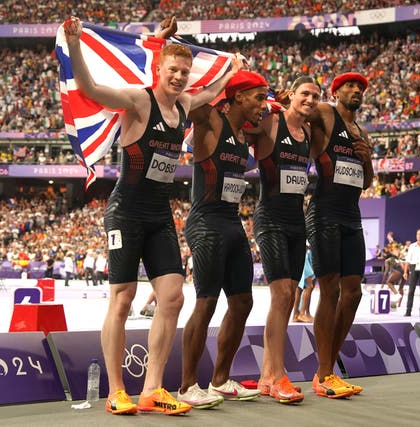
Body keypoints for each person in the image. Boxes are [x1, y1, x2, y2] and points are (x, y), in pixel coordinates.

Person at [64, 16, 241, 415]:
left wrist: (231, 68)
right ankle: (115, 390)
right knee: (123, 298)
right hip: (125, 212)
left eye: (183, 72)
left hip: (160, 215)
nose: (179, 77)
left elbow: (211, 90)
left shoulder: (184, 104)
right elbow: (91, 88)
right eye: (172, 70)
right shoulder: (139, 100)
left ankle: (153, 388)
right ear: (158, 70)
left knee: (173, 297)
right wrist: (75, 45)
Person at [177, 70, 268, 408]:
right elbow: (185, 99)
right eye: (258, 97)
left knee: (243, 302)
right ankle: (187, 386)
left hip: (232, 223)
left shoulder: (246, 131)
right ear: (238, 96)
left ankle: (220, 380)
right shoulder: (211, 120)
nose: (264, 104)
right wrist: (224, 74)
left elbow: (275, 118)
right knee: (207, 302)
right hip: (206, 222)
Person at [251, 76, 320, 404]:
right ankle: (278, 376)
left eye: (315, 96)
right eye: (305, 93)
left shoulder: (307, 133)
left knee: (288, 297)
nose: (310, 99)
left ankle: (267, 375)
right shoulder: (270, 122)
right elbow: (241, 122)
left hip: (296, 222)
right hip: (270, 219)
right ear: (291, 94)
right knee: (281, 294)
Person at [306, 72, 374, 398]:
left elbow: (367, 182)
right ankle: (325, 373)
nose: (356, 90)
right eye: (349, 85)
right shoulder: (324, 113)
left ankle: (327, 370)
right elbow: (298, 111)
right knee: (329, 291)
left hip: (352, 216)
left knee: (354, 294)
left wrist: (368, 159)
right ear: (336, 92)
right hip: (324, 212)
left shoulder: (362, 133)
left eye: (360, 87)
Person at [293, 246, 315, 323]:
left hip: (306, 252)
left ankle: (297, 315)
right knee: (309, 286)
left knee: (300, 287)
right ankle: (301, 314)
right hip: (303, 253)